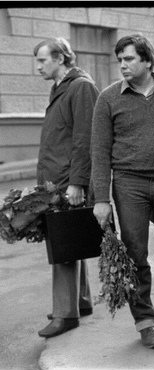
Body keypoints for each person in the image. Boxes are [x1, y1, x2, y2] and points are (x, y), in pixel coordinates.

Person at [91, 33, 154, 349]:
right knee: (136, 256)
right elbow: (99, 149)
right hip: (129, 185)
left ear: (148, 61)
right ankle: (146, 323)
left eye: (129, 59)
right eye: (120, 59)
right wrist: (101, 199)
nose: (122, 65)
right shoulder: (108, 98)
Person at [34, 38, 99, 339]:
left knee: (62, 247)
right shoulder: (62, 86)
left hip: (66, 181)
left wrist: (77, 182)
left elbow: (85, 138)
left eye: (42, 61)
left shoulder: (80, 87)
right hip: (56, 179)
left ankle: (65, 314)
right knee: (70, 240)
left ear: (60, 58)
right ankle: (81, 302)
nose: (38, 67)